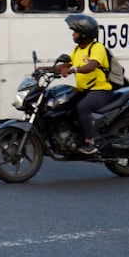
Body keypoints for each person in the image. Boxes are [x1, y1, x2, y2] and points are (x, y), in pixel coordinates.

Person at [49, 14, 113, 155]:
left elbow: (91, 65)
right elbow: (66, 65)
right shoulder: (78, 49)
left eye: (75, 32)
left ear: (84, 34)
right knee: (63, 104)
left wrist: (73, 70)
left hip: (100, 91)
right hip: (83, 90)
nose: (73, 35)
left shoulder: (97, 48)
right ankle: (73, 137)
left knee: (83, 107)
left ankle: (90, 142)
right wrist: (45, 69)